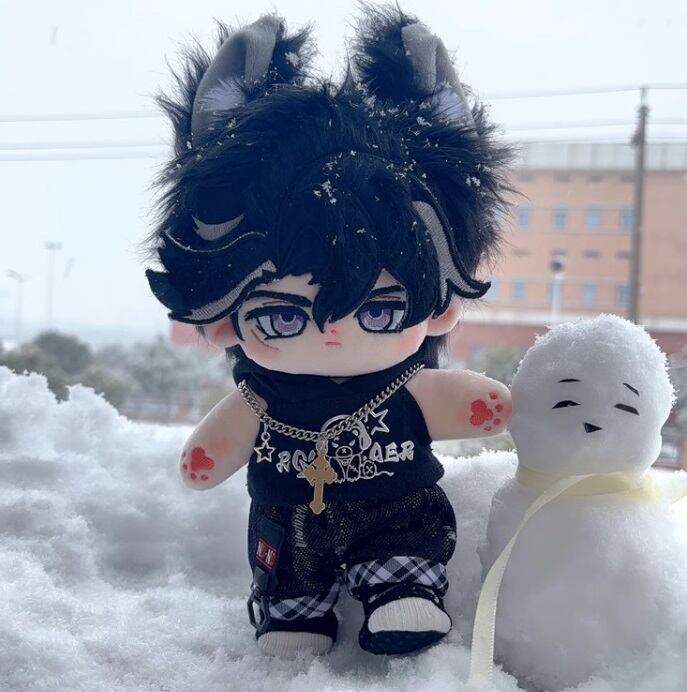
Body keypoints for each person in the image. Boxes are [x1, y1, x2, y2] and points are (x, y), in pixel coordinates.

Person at [145, 5, 513, 658]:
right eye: (283, 317)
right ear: (225, 318)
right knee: (286, 567)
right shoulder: (265, 396)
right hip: (287, 517)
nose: (336, 334)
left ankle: (403, 587)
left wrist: (479, 405)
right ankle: (292, 608)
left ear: (437, 310)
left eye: (378, 312)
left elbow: (447, 401)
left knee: (405, 535)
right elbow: (233, 427)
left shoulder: (400, 385)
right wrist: (211, 454)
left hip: (394, 507)